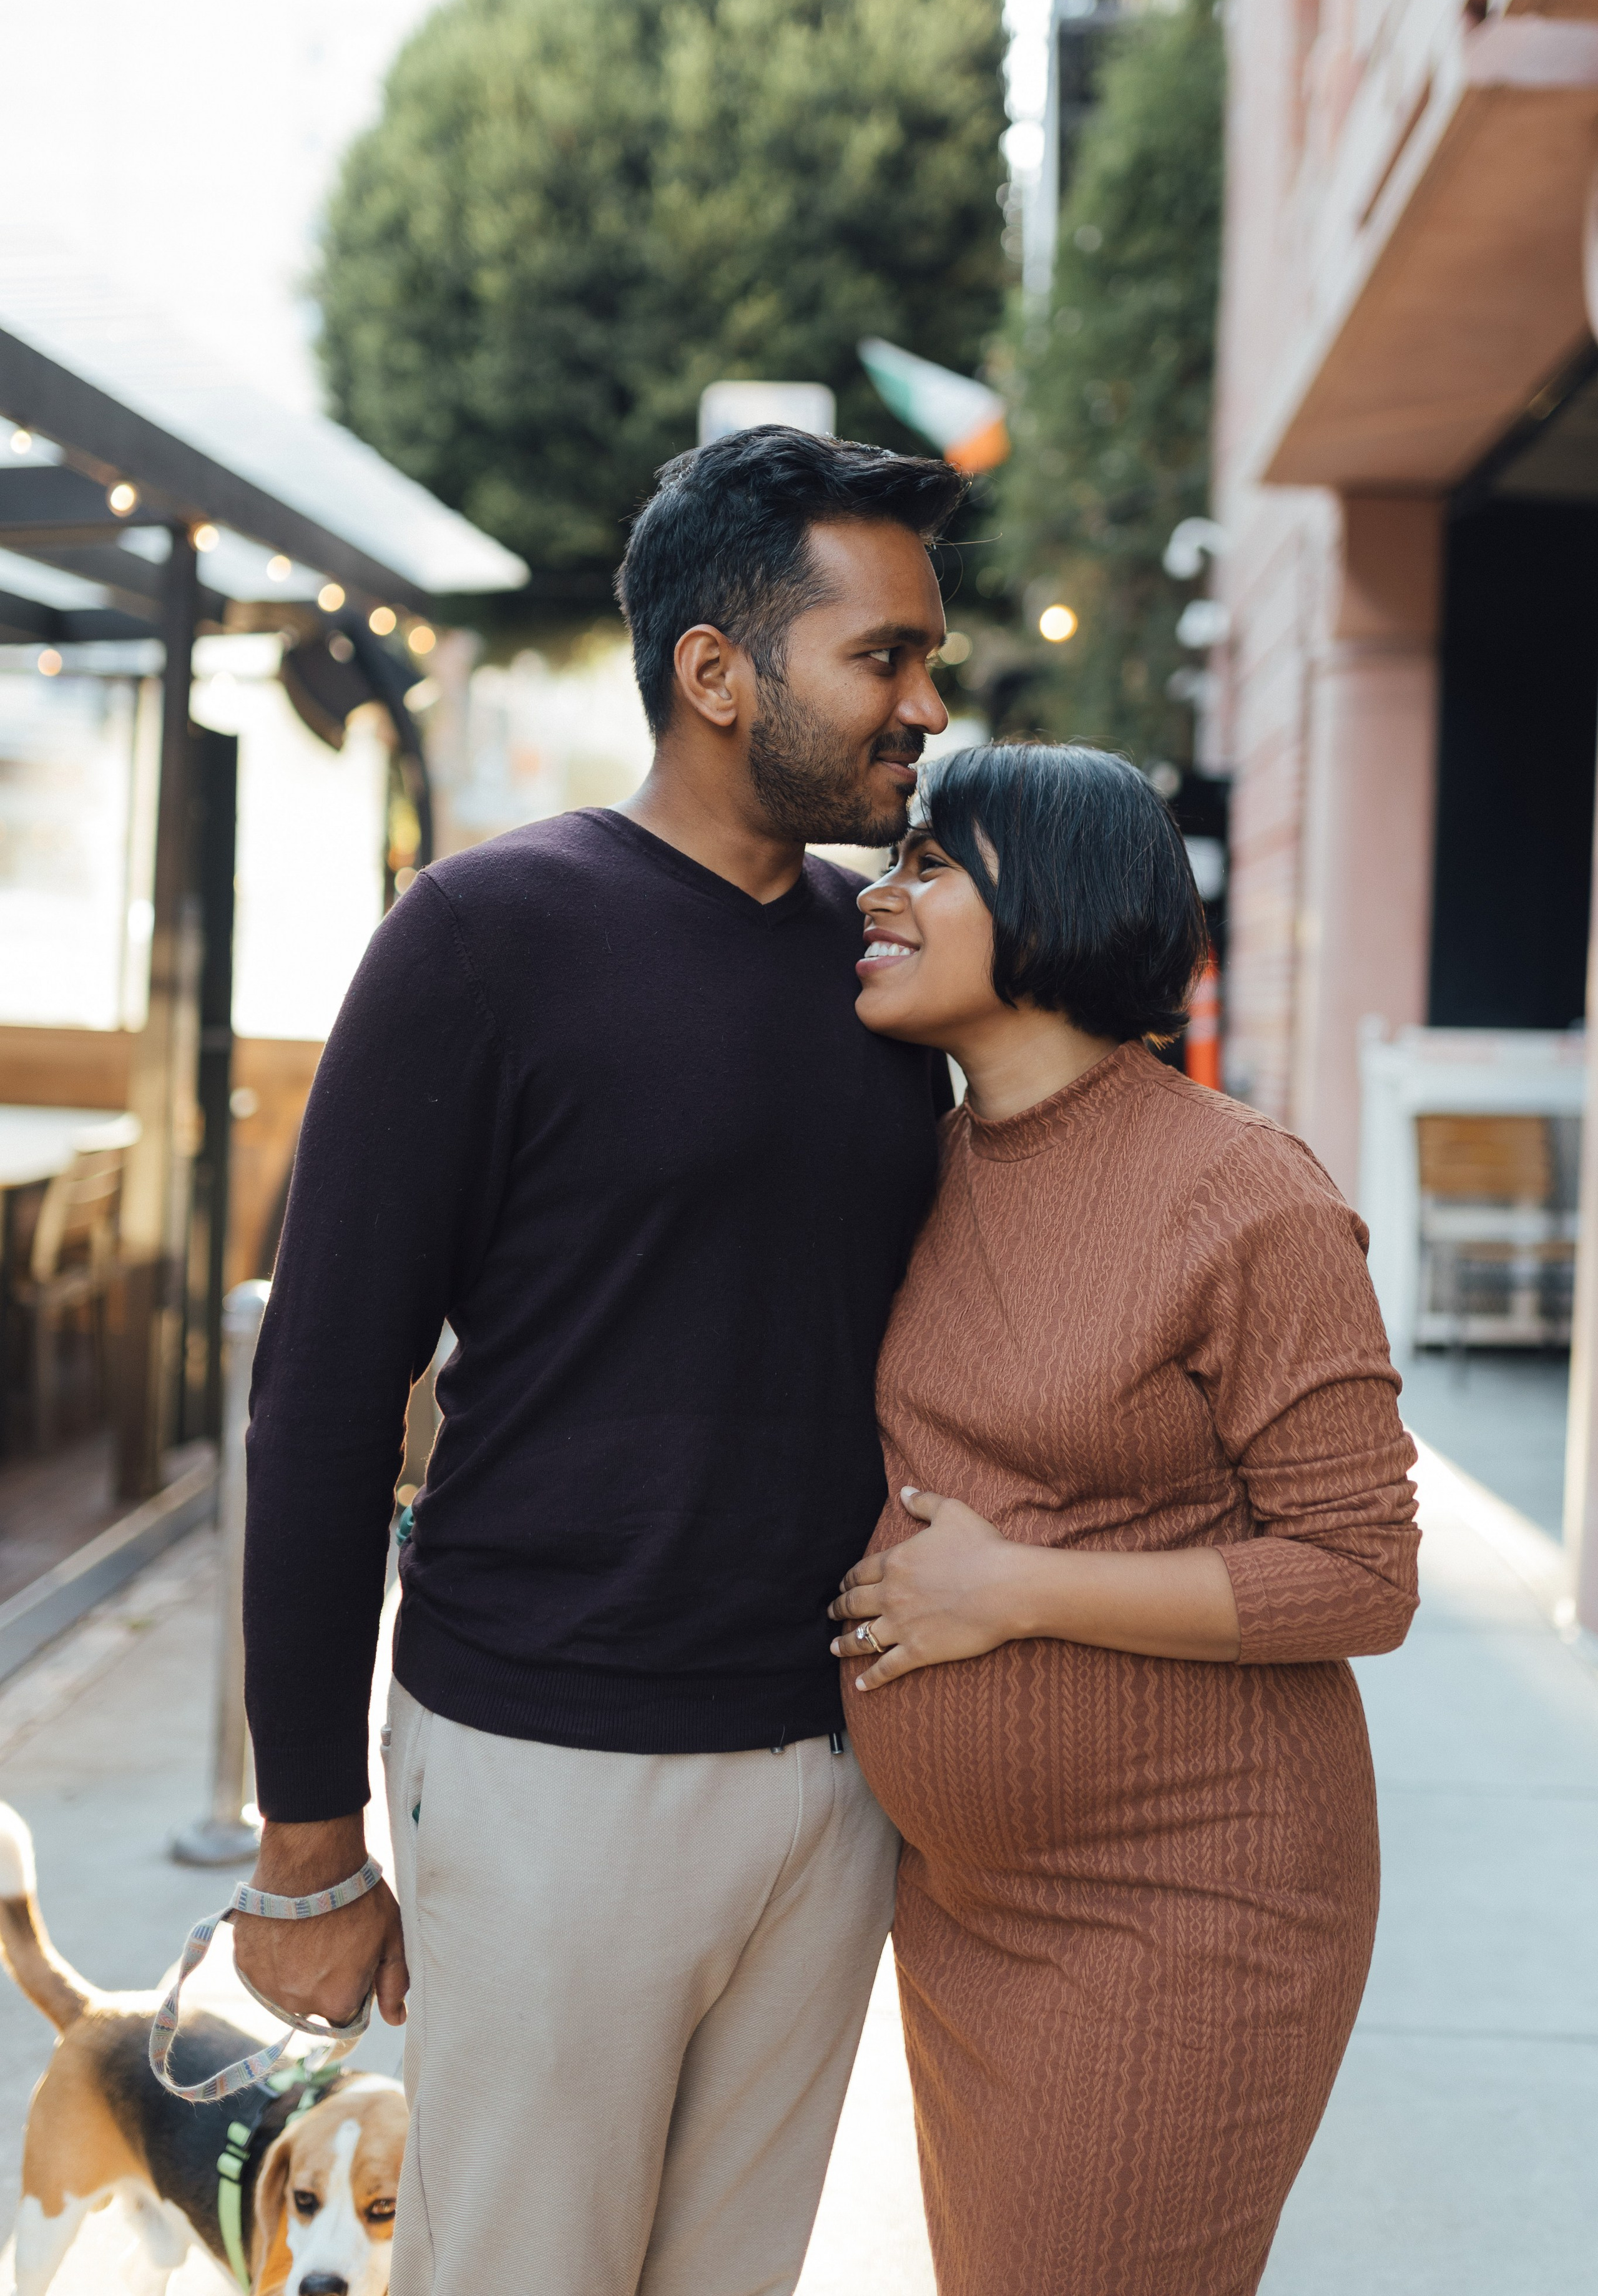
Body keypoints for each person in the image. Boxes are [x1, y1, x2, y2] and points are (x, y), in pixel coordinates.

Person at [236, 427, 968, 2296]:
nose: (923, 703)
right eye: (881, 656)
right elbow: (321, 1400)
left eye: (926, 659)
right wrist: (309, 1843)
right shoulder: (483, 938)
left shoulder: (889, 975)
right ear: (715, 673)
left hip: (832, 1769)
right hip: (556, 1762)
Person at [828, 741, 1420, 2296]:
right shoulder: (922, 1161)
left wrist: (1013, 1592)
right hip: (964, 1907)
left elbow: (1362, 1573)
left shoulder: (1245, 1195)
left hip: (1183, 1900)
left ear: (1060, 903)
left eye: (926, 865)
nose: (877, 896)